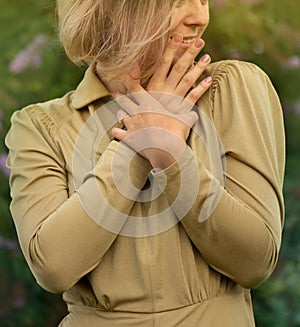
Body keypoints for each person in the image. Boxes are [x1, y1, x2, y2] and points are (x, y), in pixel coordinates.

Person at [5, 0, 285, 326]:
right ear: (113, 9)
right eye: (176, 3)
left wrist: (173, 158)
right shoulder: (41, 126)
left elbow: (255, 260)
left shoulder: (231, 89)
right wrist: (139, 144)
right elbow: (53, 267)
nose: (199, 17)